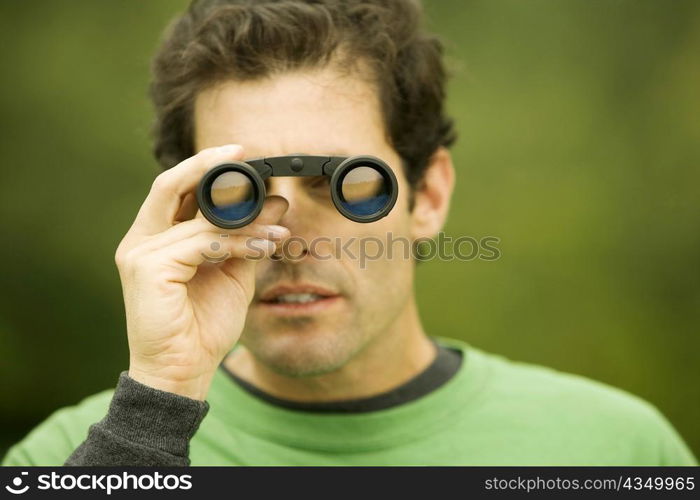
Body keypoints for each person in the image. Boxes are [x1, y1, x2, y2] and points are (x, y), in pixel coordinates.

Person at [3, 0, 696, 466]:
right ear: (183, 207)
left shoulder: (611, 449)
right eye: (238, 192)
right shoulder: (77, 453)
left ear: (427, 194)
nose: (288, 238)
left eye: (345, 186)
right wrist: (157, 404)